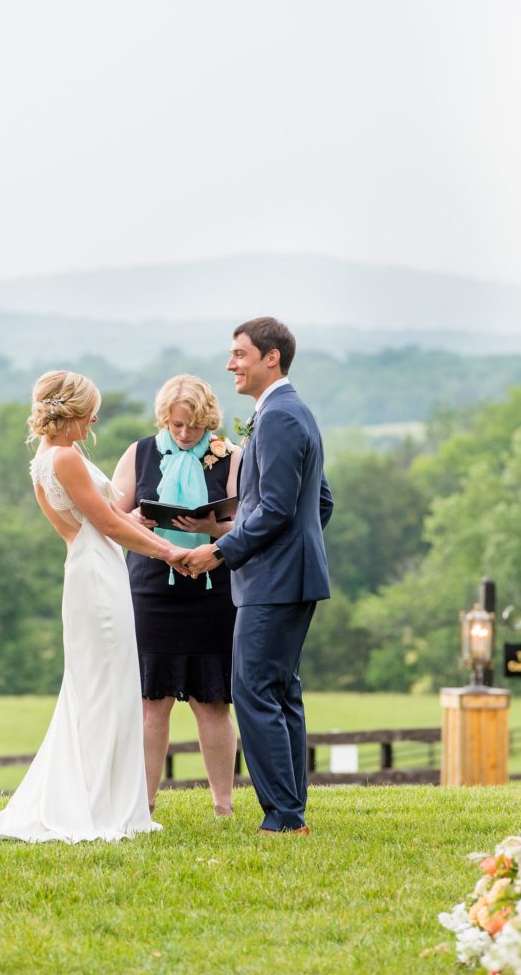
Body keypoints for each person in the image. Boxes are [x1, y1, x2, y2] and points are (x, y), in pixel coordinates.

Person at [0, 370, 188, 844]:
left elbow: (100, 519)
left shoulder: (45, 458)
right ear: (71, 412)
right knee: (102, 688)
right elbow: (106, 527)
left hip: (88, 566)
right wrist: (170, 553)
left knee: (102, 685)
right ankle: (97, 805)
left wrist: (132, 521)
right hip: (97, 574)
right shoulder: (65, 458)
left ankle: (110, 800)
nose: (95, 419)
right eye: (90, 411)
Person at [185, 318, 333, 835]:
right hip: (287, 575)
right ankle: (291, 812)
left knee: (253, 691)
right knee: (280, 691)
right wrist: (297, 548)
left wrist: (221, 550)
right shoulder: (289, 411)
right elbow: (320, 502)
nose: (231, 364)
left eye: (240, 354)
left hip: (274, 581)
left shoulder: (279, 417)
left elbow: (276, 509)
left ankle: (284, 818)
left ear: (272, 357)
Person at [113, 374, 241, 817]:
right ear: (164, 419)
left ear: (209, 420)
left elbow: (246, 523)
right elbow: (112, 516)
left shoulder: (232, 456)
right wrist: (136, 519)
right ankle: (144, 803)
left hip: (213, 588)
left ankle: (223, 804)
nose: (185, 434)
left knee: (212, 700)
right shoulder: (140, 453)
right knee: (153, 701)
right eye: (177, 425)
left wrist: (211, 527)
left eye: (194, 426)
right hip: (151, 587)